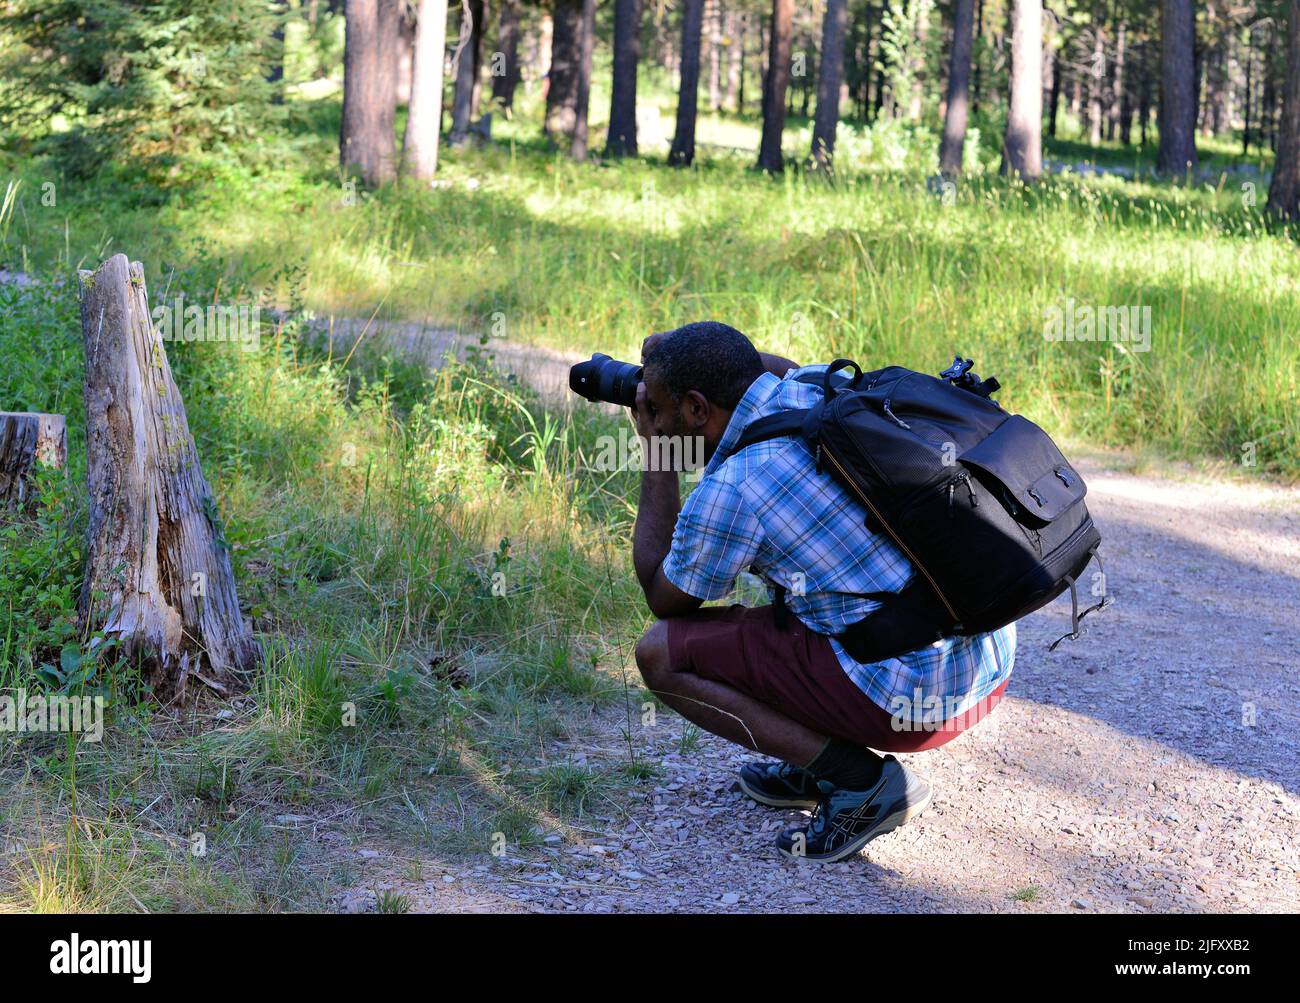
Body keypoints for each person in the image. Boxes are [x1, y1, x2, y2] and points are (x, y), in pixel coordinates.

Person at [631, 321, 1015, 862]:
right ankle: (814, 758)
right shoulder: (812, 386)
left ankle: (860, 783)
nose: (651, 416)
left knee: (661, 654)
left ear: (696, 409)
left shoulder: (736, 486)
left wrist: (657, 457)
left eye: (659, 407)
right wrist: (672, 360)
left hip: (921, 704)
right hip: (984, 661)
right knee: (811, 582)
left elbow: (662, 594)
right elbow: (754, 367)